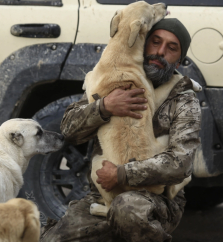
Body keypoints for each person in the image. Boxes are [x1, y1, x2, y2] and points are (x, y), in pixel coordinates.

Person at [40, 18, 201, 242]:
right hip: (102, 196)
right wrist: (104, 107)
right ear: (143, 45)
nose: (160, 52)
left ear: (179, 62)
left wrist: (121, 174)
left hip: (156, 200)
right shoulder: (115, 80)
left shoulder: (183, 100)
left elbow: (180, 163)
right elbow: (69, 130)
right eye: (155, 42)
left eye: (171, 48)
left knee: (127, 209)